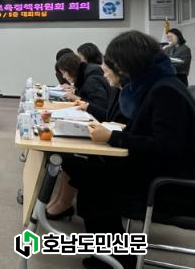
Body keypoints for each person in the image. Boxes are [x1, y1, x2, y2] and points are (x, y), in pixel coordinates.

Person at [74, 31, 195, 269]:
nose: (105, 70)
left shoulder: (165, 92)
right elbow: (153, 135)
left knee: (93, 185)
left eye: (110, 65)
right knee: (85, 171)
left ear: (125, 66)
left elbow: (165, 147)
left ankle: (116, 260)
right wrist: (121, 133)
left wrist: (114, 137)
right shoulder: (156, 85)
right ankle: (114, 255)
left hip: (169, 187)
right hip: (157, 174)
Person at [46, 56, 129, 220]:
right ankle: (61, 202)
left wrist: (112, 134)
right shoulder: (118, 90)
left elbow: (142, 136)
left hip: (126, 160)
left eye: (106, 70)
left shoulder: (97, 82)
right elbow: (109, 115)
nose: (104, 75)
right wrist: (87, 106)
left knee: (73, 160)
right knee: (69, 159)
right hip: (115, 144)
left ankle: (63, 204)